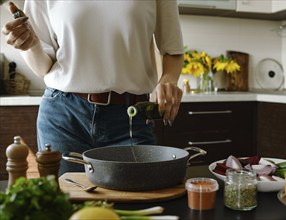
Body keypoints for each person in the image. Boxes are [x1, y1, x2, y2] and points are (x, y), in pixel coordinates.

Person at [2, 1, 184, 175]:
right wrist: (32, 46)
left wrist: (168, 80)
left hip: (130, 118)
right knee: (65, 203)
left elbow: (173, 50)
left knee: (136, 201)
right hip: (64, 117)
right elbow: (44, 68)